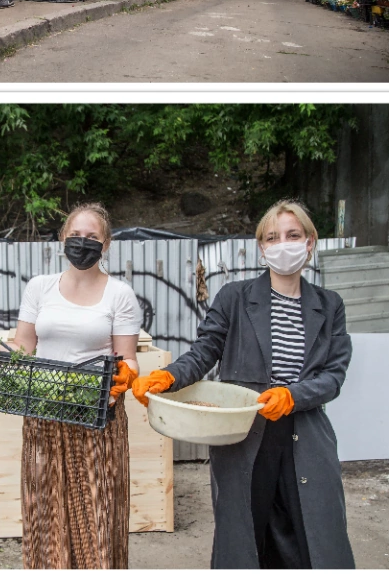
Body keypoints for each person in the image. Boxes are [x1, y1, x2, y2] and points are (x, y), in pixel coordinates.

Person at [132, 201, 354, 569]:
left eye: (293, 235)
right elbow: (205, 351)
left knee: (310, 540)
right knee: (246, 541)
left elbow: (334, 375)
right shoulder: (235, 297)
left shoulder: (330, 305)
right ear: (262, 247)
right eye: (272, 237)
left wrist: (293, 395)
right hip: (244, 435)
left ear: (310, 242)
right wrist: (169, 378)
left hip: (307, 437)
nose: (283, 244)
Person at [0, 203, 139, 569]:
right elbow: (24, 348)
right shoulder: (40, 287)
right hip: (44, 415)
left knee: (96, 513)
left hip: (96, 417)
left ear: (106, 243)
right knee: (47, 512)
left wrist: (125, 376)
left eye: (92, 237)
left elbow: (128, 359)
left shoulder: (120, 294)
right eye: (75, 236)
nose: (83, 243)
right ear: (62, 239)